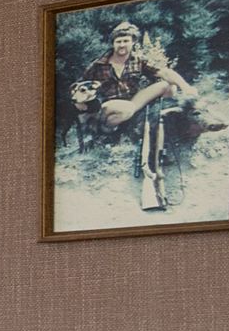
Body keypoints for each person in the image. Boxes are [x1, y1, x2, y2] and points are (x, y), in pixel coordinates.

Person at [75, 17, 200, 212]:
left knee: (168, 87)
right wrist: (81, 102)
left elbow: (164, 72)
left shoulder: (137, 60)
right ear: (113, 43)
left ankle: (156, 123)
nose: (122, 45)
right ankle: (107, 131)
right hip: (107, 107)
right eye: (118, 41)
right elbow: (78, 86)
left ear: (133, 42)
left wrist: (186, 87)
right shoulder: (98, 65)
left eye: (126, 40)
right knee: (126, 109)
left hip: (132, 104)